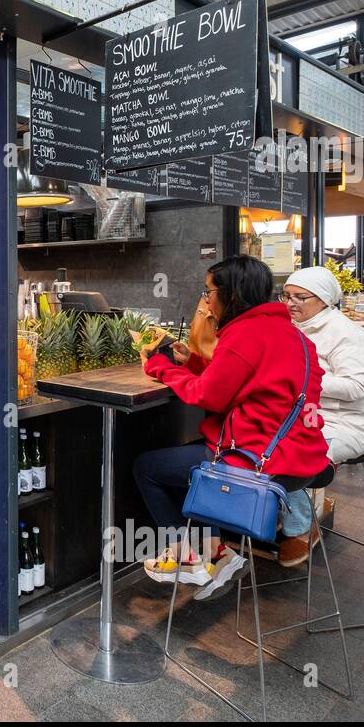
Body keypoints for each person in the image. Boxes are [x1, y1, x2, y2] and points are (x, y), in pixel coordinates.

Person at [134, 255, 331, 598]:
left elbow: (207, 396)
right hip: (302, 457)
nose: (206, 300)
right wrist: (193, 361)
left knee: (148, 468)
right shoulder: (290, 333)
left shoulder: (244, 333)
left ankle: (188, 557)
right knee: (192, 462)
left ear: (231, 294)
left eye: (208, 291)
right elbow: (243, 379)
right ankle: (215, 551)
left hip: (257, 460)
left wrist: (161, 367)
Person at [281, 266, 364, 558]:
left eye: (300, 297)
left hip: (350, 423)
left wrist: (299, 378)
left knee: (292, 455)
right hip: (308, 414)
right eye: (287, 296)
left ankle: (300, 525)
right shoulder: (294, 327)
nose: (291, 303)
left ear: (324, 299)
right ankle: (279, 512)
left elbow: (354, 388)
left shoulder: (346, 334)